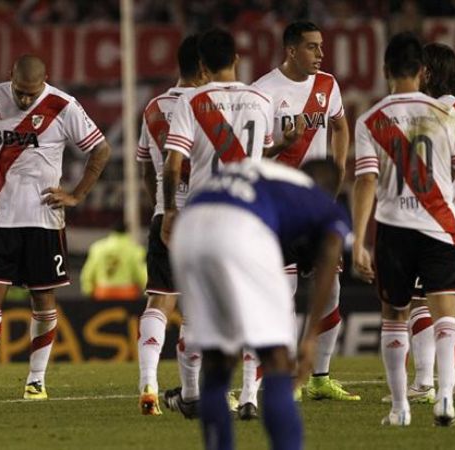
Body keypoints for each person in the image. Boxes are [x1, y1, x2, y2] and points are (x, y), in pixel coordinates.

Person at [0, 54, 111, 401]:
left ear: (45, 80)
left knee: (43, 299)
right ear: (11, 78)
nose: (24, 99)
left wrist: (77, 194)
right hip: (3, 218)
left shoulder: (63, 106)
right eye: (20, 92)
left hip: (44, 221)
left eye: (31, 93)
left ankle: (36, 381)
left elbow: (100, 149)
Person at [170, 158, 348, 450]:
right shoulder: (320, 200)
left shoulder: (266, 174)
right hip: (240, 228)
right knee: (277, 358)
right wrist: (311, 337)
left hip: (188, 228)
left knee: (217, 361)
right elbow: (331, 253)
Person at [351, 32, 455, 426]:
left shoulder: (371, 119)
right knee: (448, 311)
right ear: (420, 71)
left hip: (394, 227)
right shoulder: (448, 116)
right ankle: (446, 397)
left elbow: (366, 181)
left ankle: (401, 407)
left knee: (395, 313)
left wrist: (359, 241)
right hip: (442, 224)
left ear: (386, 69)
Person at [159, 28, 277, 419]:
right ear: (237, 60)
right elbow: (261, 153)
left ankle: (192, 395)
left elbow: (173, 163)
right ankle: (248, 397)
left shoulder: (190, 101)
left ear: (203, 67)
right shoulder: (262, 100)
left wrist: (169, 211)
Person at [251, 19, 359, 408]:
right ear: (291, 50)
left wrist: (338, 170)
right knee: (283, 294)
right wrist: (284, 143)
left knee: (331, 291)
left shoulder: (328, 86)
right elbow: (251, 157)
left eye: (321, 47)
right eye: (313, 47)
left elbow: (341, 127)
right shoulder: (262, 93)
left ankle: (320, 378)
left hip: (315, 205)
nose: (320, 55)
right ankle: (265, 379)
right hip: (277, 208)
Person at [382, 42, 455, 405]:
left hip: (438, 217)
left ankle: (423, 382)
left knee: (423, 300)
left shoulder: (430, 112)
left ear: (430, 73)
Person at [134, 33, 208, 416]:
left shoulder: (153, 107)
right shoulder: (209, 105)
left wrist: (160, 207)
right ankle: (195, 390)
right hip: (204, 216)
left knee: (159, 300)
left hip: (166, 213)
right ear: (203, 67)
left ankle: (148, 382)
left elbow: (148, 167)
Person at [80, 220, 147, 301]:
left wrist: (88, 290)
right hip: (127, 294)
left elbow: (88, 272)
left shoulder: (98, 248)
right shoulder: (135, 250)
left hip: (103, 293)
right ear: (127, 231)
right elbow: (141, 274)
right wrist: (147, 292)